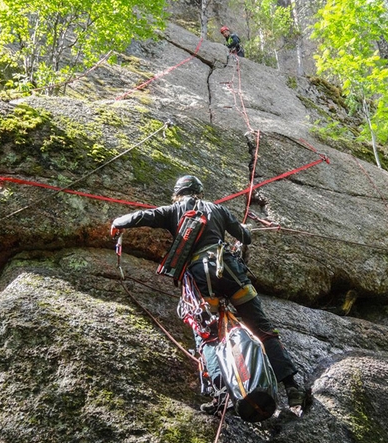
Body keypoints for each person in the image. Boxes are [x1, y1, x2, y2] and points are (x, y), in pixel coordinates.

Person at [110, 175, 306, 414]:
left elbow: (144, 216)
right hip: (231, 272)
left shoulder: (174, 210)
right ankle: (292, 387)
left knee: (207, 338)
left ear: (178, 194)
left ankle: (221, 395)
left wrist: (118, 221)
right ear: (199, 192)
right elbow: (245, 237)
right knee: (262, 329)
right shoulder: (218, 209)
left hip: (201, 279)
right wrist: (244, 230)